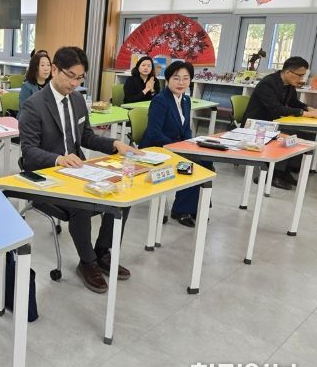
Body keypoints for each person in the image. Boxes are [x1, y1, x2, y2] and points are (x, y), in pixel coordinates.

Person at [19, 47, 139, 293]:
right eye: (70, 76)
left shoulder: (77, 100)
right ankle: (88, 262)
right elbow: (29, 152)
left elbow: (86, 137)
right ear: (54, 70)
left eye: (80, 78)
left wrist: (114, 144)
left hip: (77, 170)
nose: (74, 83)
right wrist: (58, 159)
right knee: (82, 205)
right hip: (47, 175)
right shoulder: (34, 105)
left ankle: (102, 252)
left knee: (122, 195)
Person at [139, 61, 212, 227]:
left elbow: (185, 128)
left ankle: (195, 205)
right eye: (176, 78)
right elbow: (154, 133)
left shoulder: (185, 100)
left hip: (176, 146)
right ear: (168, 79)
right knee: (192, 164)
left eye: (186, 78)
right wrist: (178, 146)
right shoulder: (160, 100)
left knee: (207, 161)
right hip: (157, 148)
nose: (181, 82)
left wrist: (190, 143)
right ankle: (181, 210)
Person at [242, 56, 317, 189]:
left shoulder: (288, 85)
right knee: (288, 135)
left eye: (303, 76)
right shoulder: (268, 84)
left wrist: (308, 108)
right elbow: (276, 108)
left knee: (306, 135)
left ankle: (285, 171)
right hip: (257, 124)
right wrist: (305, 113)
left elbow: (294, 102)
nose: (302, 79)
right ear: (288, 72)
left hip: (273, 122)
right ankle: (274, 174)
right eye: (300, 75)